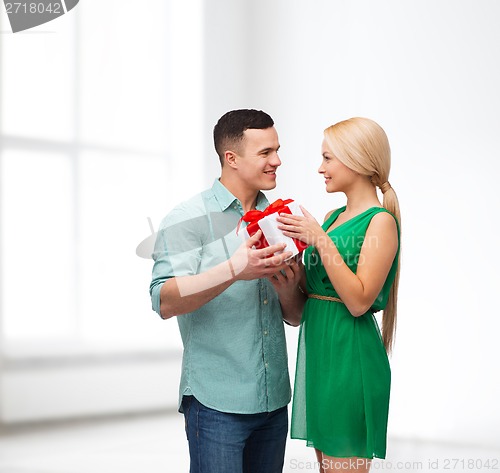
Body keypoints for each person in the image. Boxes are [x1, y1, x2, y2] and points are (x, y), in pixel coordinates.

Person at [149, 109, 303, 473]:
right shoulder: (188, 219)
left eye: (277, 150)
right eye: (265, 152)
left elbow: (295, 315)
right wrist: (236, 269)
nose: (277, 161)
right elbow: (164, 300)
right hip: (216, 405)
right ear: (231, 158)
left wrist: (289, 288)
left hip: (273, 401)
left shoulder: (282, 218)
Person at [271, 117, 401, 473]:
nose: (320, 168)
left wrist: (319, 240)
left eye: (328, 158)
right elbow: (302, 311)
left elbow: (359, 302)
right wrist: (288, 282)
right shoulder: (329, 218)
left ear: (357, 160)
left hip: (351, 359)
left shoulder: (380, 223)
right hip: (320, 360)